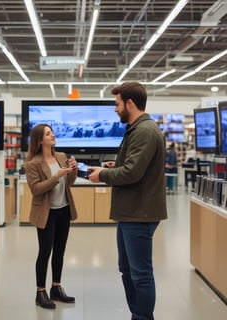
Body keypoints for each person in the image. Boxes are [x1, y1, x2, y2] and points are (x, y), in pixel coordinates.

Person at [88, 82, 167, 320]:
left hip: (139, 213)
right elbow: (134, 166)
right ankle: (138, 314)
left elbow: (132, 173)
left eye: (117, 104)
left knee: (140, 274)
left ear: (129, 103)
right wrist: (115, 166)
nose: (115, 109)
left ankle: (142, 317)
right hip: (130, 212)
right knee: (128, 271)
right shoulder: (137, 129)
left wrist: (102, 175)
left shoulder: (144, 131)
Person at [25, 123, 78, 310]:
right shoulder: (33, 163)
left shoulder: (61, 157)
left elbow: (69, 182)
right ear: (40, 140)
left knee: (60, 250)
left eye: (52, 132)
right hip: (46, 212)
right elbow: (36, 189)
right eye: (48, 133)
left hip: (63, 209)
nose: (53, 135)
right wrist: (56, 176)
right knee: (45, 251)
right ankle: (40, 292)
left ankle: (56, 288)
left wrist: (73, 169)